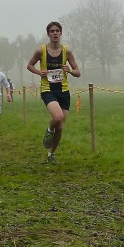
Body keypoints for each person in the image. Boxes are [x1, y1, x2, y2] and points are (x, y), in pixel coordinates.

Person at [27, 21, 81, 163]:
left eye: (57, 31)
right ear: (48, 34)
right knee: (57, 117)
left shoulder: (66, 51)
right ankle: (49, 130)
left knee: (61, 126)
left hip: (63, 91)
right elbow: (29, 65)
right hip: (48, 90)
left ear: (61, 33)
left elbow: (78, 72)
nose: (55, 33)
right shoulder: (41, 51)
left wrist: (70, 70)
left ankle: (51, 154)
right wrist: (40, 72)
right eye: (52, 31)